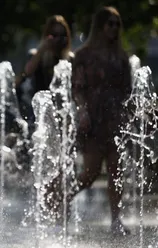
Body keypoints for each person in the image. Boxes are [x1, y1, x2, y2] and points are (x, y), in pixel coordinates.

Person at [49, 7, 132, 235]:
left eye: (117, 24)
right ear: (100, 26)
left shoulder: (121, 56)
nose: (114, 28)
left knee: (116, 171)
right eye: (110, 24)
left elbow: (128, 91)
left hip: (116, 121)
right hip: (94, 121)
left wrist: (131, 115)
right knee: (90, 173)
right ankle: (62, 201)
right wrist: (82, 111)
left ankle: (116, 219)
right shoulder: (84, 55)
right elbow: (78, 88)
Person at [16, 15, 74, 131]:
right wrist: (43, 48)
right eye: (54, 35)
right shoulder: (37, 56)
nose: (58, 40)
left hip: (62, 115)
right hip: (40, 114)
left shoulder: (70, 60)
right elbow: (27, 72)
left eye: (62, 36)